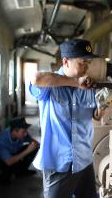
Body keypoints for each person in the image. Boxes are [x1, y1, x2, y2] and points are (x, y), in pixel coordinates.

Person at [29, 39, 106, 198]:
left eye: (89, 62)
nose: (87, 67)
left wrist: (103, 107)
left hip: (84, 159)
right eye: (82, 62)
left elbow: (95, 116)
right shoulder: (50, 85)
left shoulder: (88, 86)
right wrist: (75, 83)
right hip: (59, 163)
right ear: (66, 62)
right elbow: (35, 78)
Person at [0, 117, 39, 185]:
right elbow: (9, 161)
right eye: (24, 131)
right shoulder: (1, 140)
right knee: (13, 163)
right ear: (15, 131)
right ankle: (3, 178)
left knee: (34, 148)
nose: (26, 134)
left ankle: (21, 172)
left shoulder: (22, 134)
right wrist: (27, 151)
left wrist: (34, 144)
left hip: (12, 153)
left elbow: (33, 142)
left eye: (26, 131)